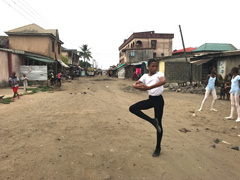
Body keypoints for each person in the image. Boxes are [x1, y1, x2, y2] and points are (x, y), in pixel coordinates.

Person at [129, 59, 166, 157]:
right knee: (132, 108)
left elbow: (163, 81)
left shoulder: (159, 74)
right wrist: (135, 85)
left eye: (156, 66)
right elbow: (136, 83)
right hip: (150, 100)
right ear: (148, 67)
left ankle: (158, 147)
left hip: (159, 101)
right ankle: (152, 121)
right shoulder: (145, 76)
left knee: (159, 125)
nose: (155, 68)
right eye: (153, 66)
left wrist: (148, 88)